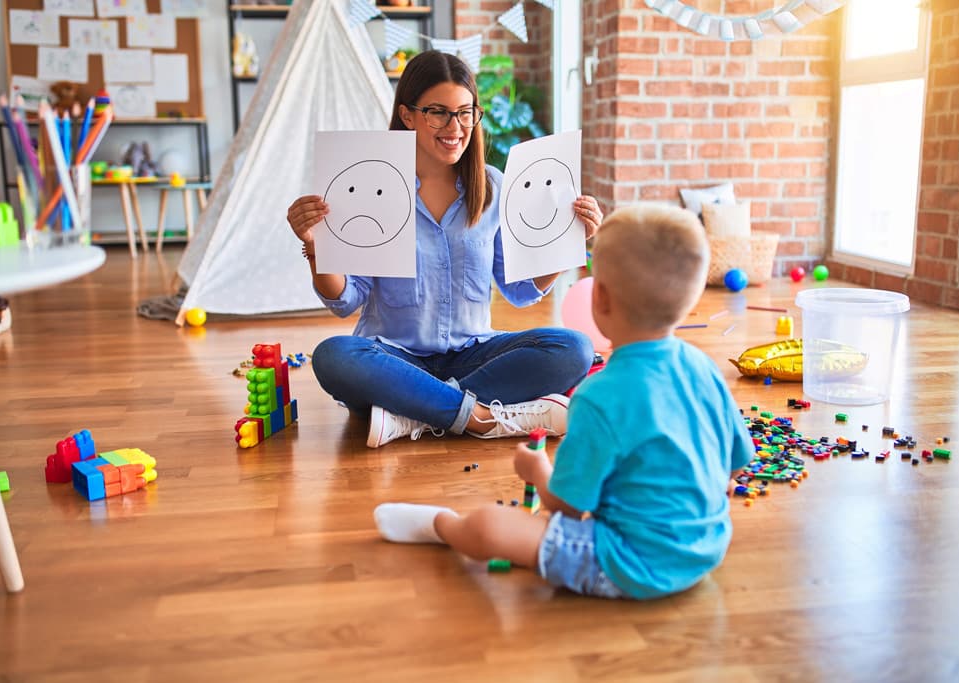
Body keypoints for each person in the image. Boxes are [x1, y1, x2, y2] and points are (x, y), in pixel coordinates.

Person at [373, 204, 755, 600]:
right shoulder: (704, 367)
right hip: (708, 547)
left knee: (490, 526)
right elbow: (737, 462)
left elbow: (567, 509)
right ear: (689, 299)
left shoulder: (598, 397)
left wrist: (538, 471)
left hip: (630, 562)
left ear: (599, 297)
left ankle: (445, 525)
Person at [287, 51, 602, 448]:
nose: (455, 127)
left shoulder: (492, 187)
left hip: (472, 354)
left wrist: (567, 239)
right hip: (393, 359)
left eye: (466, 112)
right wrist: (316, 247)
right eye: (438, 112)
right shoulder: (374, 185)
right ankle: (479, 416)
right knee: (334, 356)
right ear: (407, 115)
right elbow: (346, 300)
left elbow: (520, 290)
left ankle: (412, 414)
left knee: (573, 348)